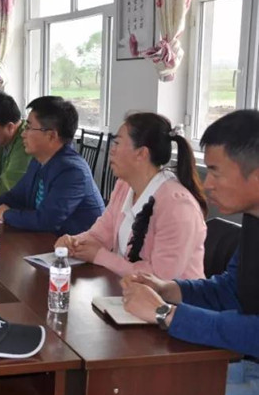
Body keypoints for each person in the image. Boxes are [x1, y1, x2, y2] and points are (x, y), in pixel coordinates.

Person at [121, 110, 259, 395]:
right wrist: (170, 290)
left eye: (215, 171)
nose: (207, 183)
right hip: (250, 365)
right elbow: (232, 289)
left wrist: (165, 314)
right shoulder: (254, 220)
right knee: (133, 385)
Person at [56, 113, 207, 280]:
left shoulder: (177, 206)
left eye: (117, 143)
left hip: (166, 296)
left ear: (141, 153)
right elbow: (100, 234)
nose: (111, 150)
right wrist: (74, 242)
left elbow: (161, 278)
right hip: (127, 288)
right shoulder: (125, 185)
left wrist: (100, 256)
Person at [0, 96, 104, 235]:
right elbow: (15, 196)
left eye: (28, 127)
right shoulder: (39, 160)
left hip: (76, 245)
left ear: (51, 135)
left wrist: (6, 214)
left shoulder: (72, 171)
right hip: (47, 241)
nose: (23, 134)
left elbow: (47, 221)